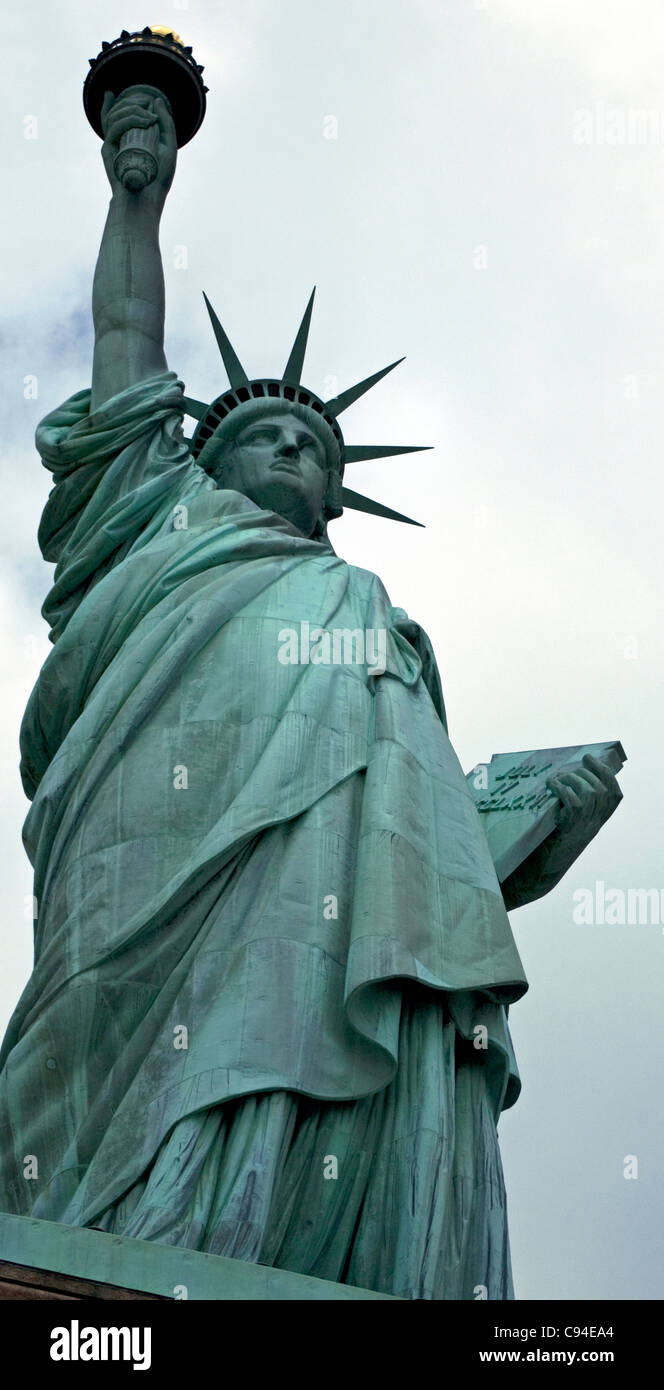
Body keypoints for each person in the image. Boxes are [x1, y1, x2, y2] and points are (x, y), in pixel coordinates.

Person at [0, 88, 622, 1300]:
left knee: (307, 1025)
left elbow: (414, 867)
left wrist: (537, 807)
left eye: (314, 450)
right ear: (204, 455)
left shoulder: (381, 622)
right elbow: (126, 335)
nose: (292, 451)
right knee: (117, 1072)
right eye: (267, 436)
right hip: (149, 864)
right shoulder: (150, 521)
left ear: (337, 496)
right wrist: (140, 189)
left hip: (316, 920)